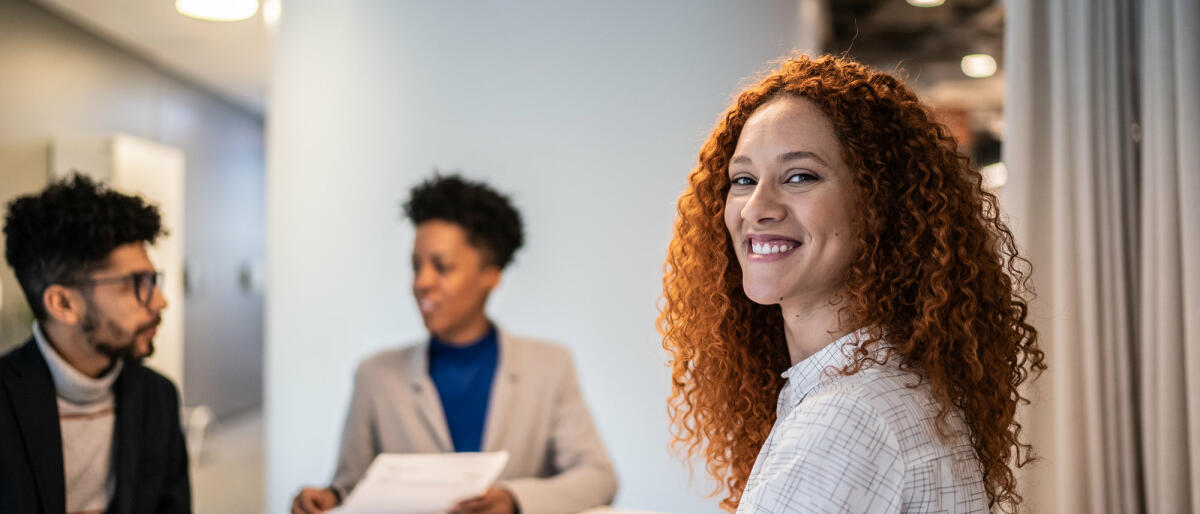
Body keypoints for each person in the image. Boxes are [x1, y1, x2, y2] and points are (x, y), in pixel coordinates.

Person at [659, 54, 1046, 513]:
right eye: (743, 180)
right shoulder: (892, 389)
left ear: (878, 204)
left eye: (800, 176)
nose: (756, 207)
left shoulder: (844, 420)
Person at [292, 174, 617, 514]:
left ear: (491, 276)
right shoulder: (374, 375)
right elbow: (352, 486)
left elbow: (599, 477)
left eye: (442, 267)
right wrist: (328, 499)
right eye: (416, 266)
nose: (421, 282)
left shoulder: (549, 366)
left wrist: (514, 500)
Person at [0, 175, 190, 513]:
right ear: (63, 304)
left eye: (153, 281)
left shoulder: (157, 397)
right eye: (137, 283)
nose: (160, 301)